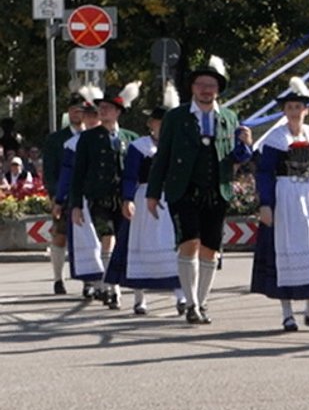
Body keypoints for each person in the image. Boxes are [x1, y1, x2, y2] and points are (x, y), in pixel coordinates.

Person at [147, 57, 254, 325]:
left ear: (218, 90)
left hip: (217, 189)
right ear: (193, 88)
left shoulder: (228, 118)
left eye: (211, 85)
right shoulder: (176, 117)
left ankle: (202, 301)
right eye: (201, 85)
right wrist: (152, 192)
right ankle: (191, 303)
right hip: (184, 188)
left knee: (210, 249)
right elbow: (163, 156)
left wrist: (245, 146)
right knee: (189, 243)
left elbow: (235, 157)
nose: (206, 90)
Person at [250, 78, 309, 332]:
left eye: (298, 107)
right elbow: (265, 173)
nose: (294, 112)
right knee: (285, 250)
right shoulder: (275, 139)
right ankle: (287, 313)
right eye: (290, 107)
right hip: (286, 195)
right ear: (284, 111)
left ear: (306, 110)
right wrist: (266, 204)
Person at [109, 86, 184, 315]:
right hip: (144, 199)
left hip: (171, 198)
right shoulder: (139, 146)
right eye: (157, 121)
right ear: (150, 123)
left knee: (175, 247)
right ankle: (139, 298)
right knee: (139, 246)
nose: (160, 125)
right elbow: (130, 176)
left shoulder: (178, 146)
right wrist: (128, 199)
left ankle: (181, 297)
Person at [73, 84, 139, 309]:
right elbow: (78, 173)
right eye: (101, 107)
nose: (103, 111)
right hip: (98, 197)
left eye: (108, 108)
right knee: (107, 237)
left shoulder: (130, 138)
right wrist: (75, 205)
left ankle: (113, 283)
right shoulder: (89, 138)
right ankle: (112, 288)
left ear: (118, 112)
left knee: (121, 242)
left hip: (124, 198)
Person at [41, 93, 92, 294]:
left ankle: (89, 281)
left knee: (88, 239)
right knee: (60, 236)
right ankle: (58, 278)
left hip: (88, 195)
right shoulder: (56, 139)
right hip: (65, 196)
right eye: (73, 110)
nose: (76, 114)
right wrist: (55, 196)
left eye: (80, 110)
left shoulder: (93, 135)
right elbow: (50, 170)